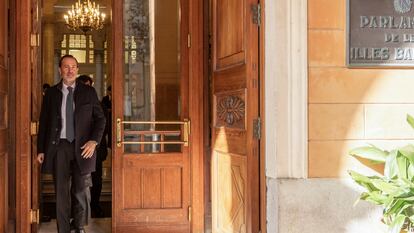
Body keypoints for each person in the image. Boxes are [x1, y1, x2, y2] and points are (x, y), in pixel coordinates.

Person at [37, 55, 106, 233]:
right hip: (59, 147)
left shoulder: (89, 92)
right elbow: (44, 122)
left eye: (73, 67)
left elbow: (100, 119)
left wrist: (94, 141)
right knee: (61, 192)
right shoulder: (51, 93)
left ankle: (79, 226)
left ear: (77, 70)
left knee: (80, 190)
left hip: (83, 148)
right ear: (60, 70)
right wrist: (40, 149)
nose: (70, 70)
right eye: (66, 67)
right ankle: (64, 229)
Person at [77, 75, 109, 217]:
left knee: (96, 179)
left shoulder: (99, 103)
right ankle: (80, 211)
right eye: (84, 85)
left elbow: (104, 125)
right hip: (78, 148)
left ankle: (95, 204)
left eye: (88, 85)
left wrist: (96, 142)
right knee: (79, 181)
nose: (86, 88)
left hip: (96, 148)